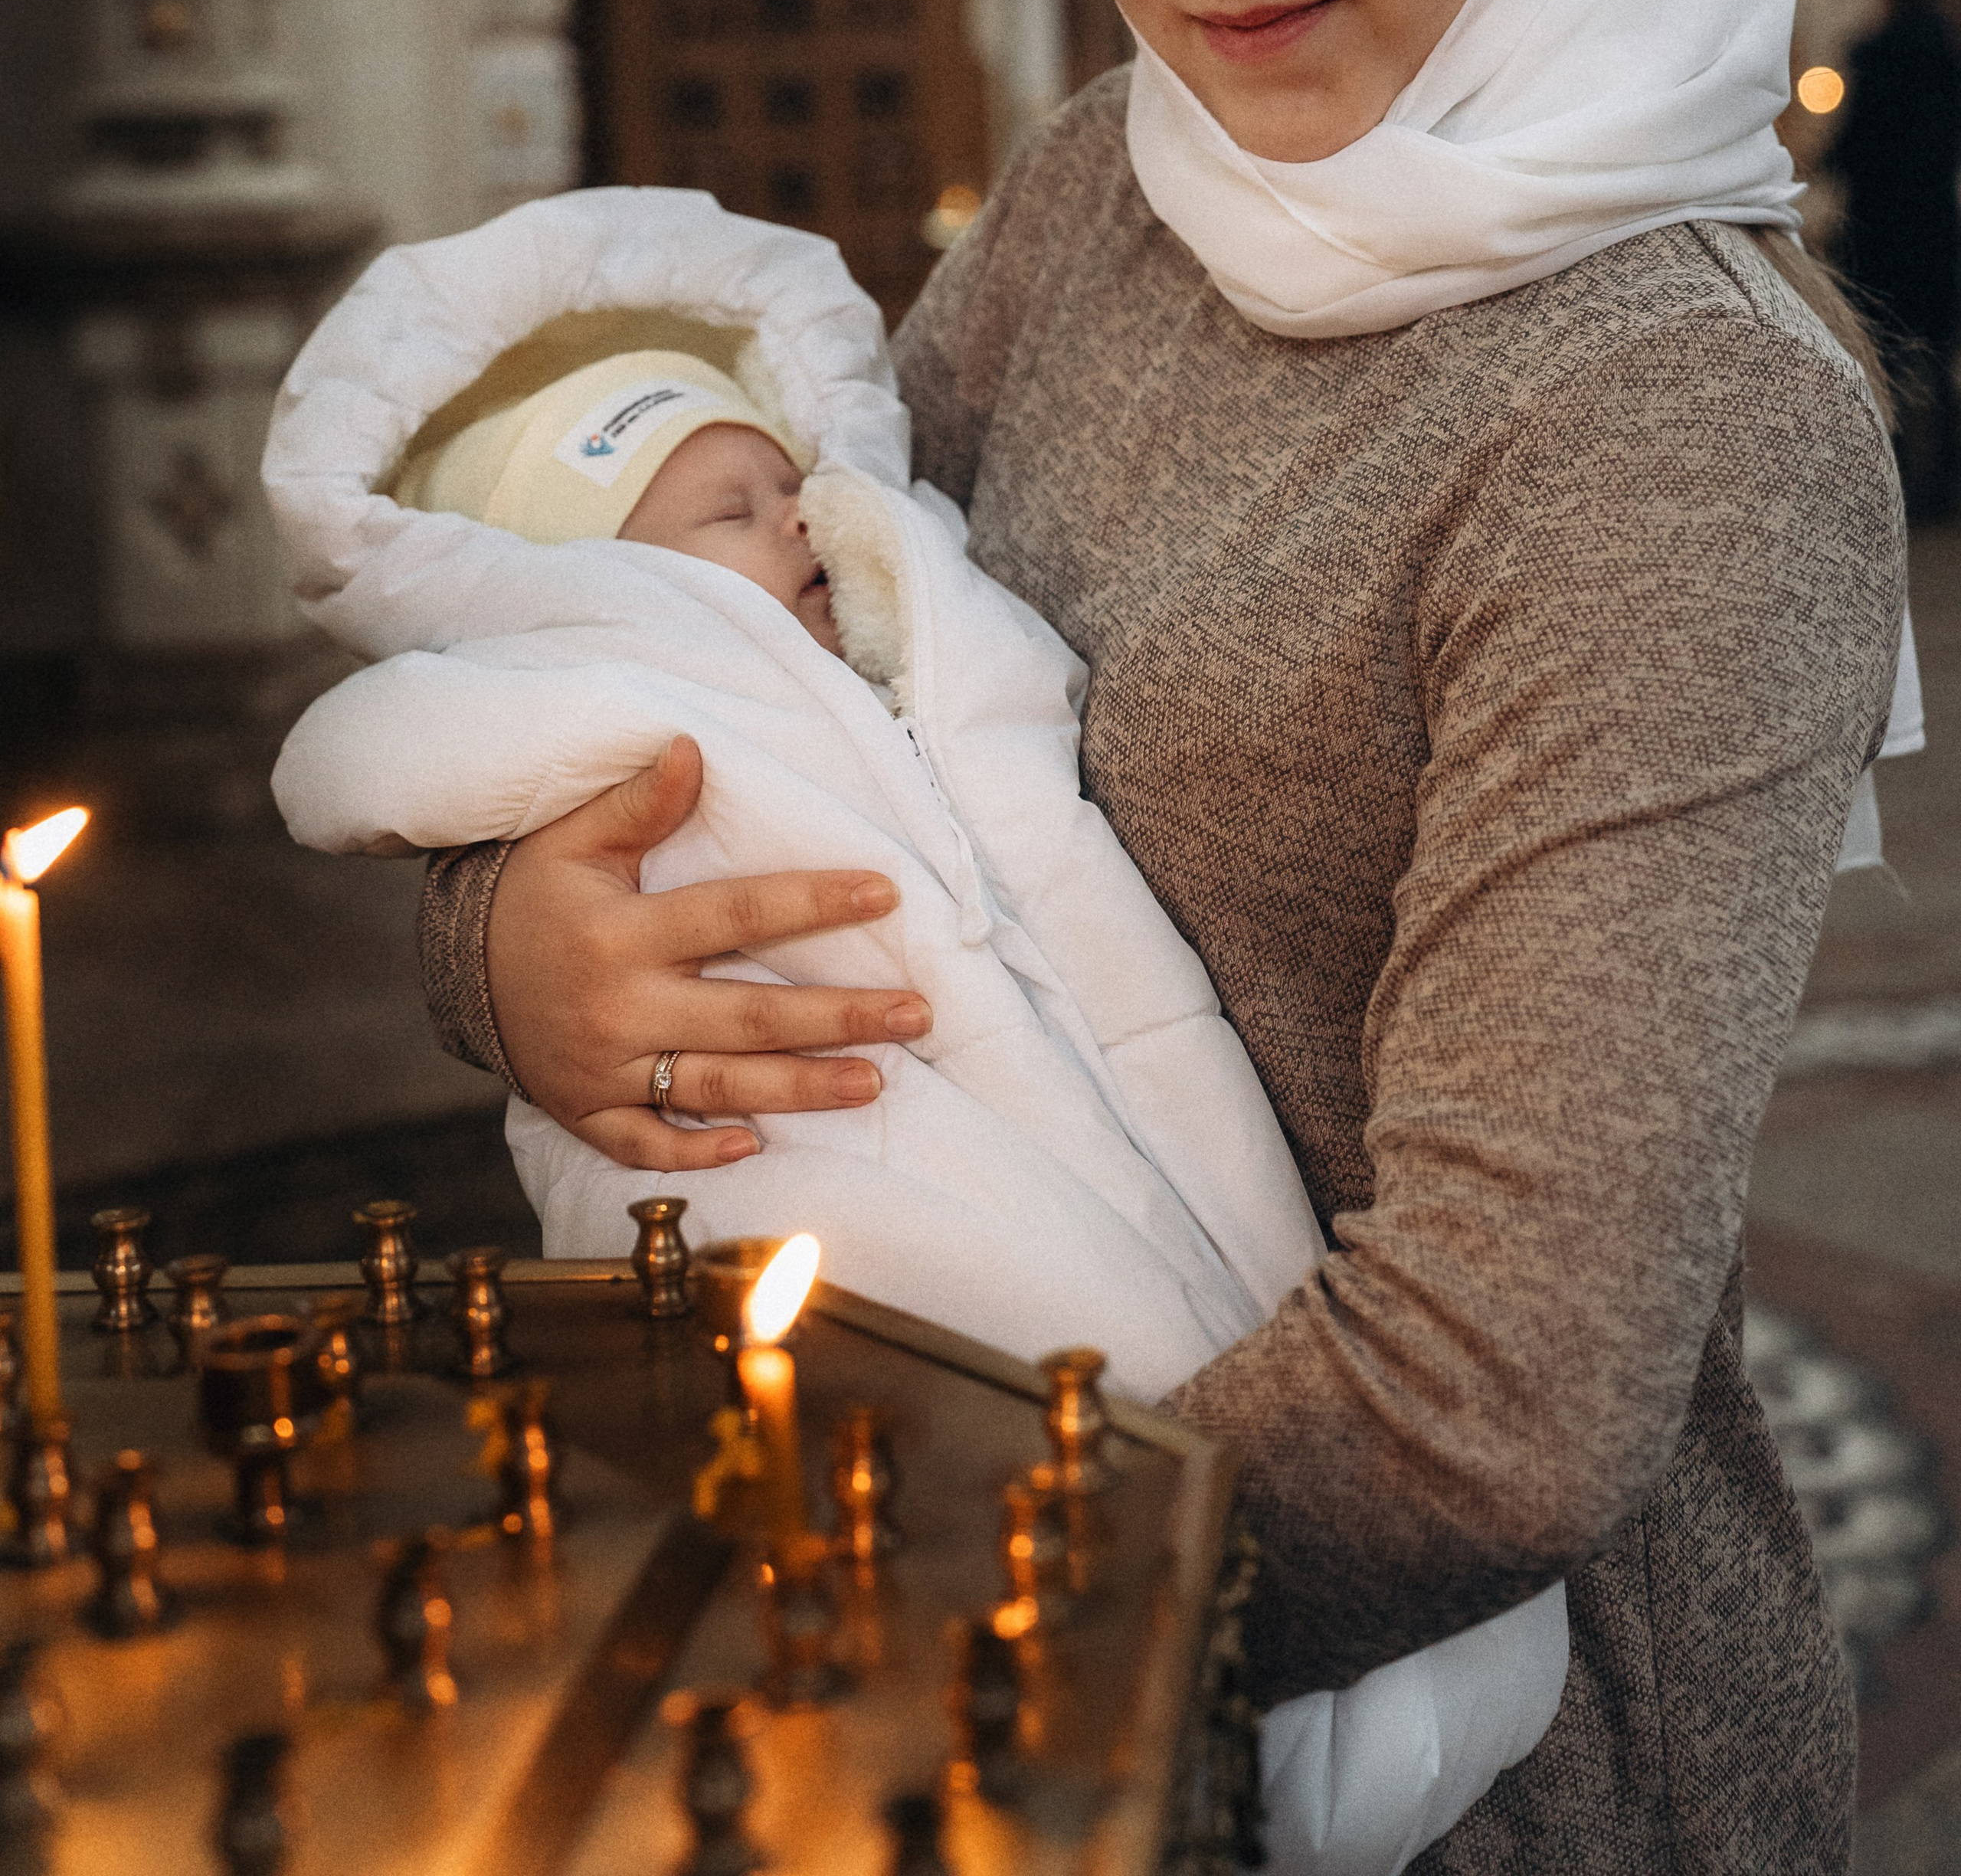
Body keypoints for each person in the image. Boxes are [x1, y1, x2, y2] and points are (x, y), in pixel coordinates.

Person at [411, 0, 1904, 1871]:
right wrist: (516, 950)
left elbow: (1501, 1394)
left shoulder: (1671, 423)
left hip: (1427, 1732)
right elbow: (745, 651)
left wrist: (870, 1624)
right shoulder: (1121, 182)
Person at [262, 205, 1570, 1876]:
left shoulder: (909, 627)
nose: (800, 512)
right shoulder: (615, 677)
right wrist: (498, 942)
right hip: (805, 1147)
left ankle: (1198, 1694)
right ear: (572, 584)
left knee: (1173, 1332)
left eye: (786, 480)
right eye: (726, 508)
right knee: (949, 1411)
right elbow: (390, 756)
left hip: (1133, 1126)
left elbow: (1540, 1380)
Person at [1828, 0, 1961, 519]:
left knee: (1885, 360)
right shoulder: (1949, 61)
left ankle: (1898, 477)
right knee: (1939, 359)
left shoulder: (1874, 59)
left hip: (1880, 233)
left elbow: (1851, 149)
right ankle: (1949, 477)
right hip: (1934, 229)